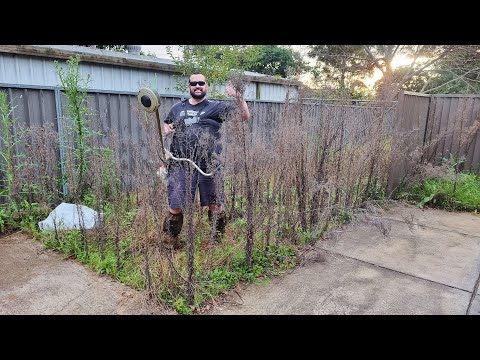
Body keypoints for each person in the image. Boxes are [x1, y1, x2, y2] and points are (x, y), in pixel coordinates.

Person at [162, 71, 250, 249]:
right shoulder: (177, 108)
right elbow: (166, 124)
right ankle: (170, 243)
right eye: (193, 83)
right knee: (175, 205)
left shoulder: (216, 107)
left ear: (206, 86)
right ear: (189, 86)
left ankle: (216, 241)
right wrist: (167, 129)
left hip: (210, 165)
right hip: (181, 164)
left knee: (215, 204)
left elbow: (243, 116)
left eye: (201, 83)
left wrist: (238, 96)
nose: (197, 86)